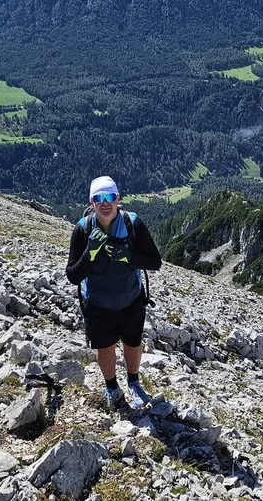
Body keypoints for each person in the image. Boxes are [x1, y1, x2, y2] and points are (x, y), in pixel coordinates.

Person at [65, 176, 162, 411]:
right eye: (99, 198)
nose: (105, 203)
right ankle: (111, 387)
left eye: (109, 197)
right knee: (105, 347)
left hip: (131, 301)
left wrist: (128, 256)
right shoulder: (83, 229)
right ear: (91, 201)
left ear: (118, 198)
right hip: (98, 304)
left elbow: (155, 262)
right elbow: (72, 275)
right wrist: (90, 253)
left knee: (132, 342)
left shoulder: (132, 224)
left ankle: (134, 382)